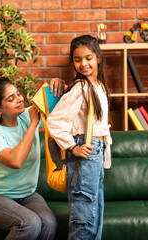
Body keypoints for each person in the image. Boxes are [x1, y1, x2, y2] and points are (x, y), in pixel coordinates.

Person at [0, 76, 62, 240]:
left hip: (27, 195)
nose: (20, 99)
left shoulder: (26, 115)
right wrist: (33, 124)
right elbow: (15, 161)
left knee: (48, 222)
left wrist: (60, 86)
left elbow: (60, 105)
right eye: (11, 99)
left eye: (18, 94)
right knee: (29, 222)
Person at [46, 35, 112, 240]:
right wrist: (73, 147)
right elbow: (54, 122)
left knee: (94, 213)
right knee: (84, 218)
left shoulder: (98, 85)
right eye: (77, 59)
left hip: (96, 152)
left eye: (88, 58)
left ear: (98, 58)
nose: (83, 64)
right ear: (72, 61)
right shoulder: (80, 88)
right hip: (86, 152)